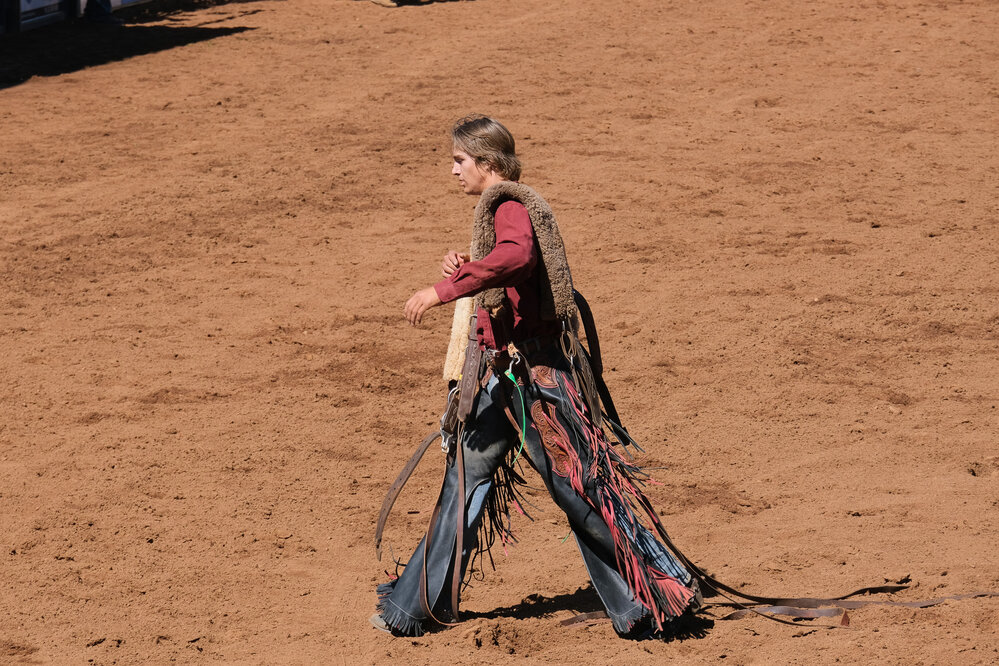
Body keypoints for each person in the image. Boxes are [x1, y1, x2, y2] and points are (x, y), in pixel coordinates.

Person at [372, 115, 701, 639]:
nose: (452, 170)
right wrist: (466, 267)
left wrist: (444, 289)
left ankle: (662, 586)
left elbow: (517, 257)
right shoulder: (508, 207)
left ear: (489, 163)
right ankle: (416, 606)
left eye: (460, 160)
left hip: (533, 384)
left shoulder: (508, 205)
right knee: (466, 478)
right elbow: (507, 266)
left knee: (578, 488)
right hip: (509, 380)